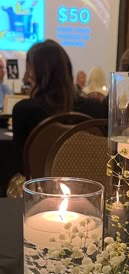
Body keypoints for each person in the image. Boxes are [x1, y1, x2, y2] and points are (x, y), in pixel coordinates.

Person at [12, 39, 75, 174]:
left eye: (29, 70)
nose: (27, 77)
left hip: (37, 190)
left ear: (37, 74)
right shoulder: (95, 108)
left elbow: (21, 166)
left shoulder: (23, 110)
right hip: (84, 190)